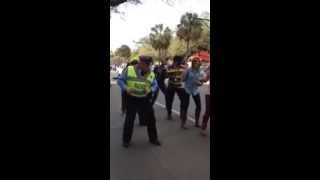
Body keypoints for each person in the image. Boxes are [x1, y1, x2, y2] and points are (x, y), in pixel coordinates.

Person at [117, 56, 161, 148]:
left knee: (151, 119)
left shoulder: (150, 73)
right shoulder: (129, 70)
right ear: (140, 63)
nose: (148, 67)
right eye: (146, 65)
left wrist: (150, 90)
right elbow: (120, 80)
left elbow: (155, 85)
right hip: (132, 98)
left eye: (149, 65)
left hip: (144, 99)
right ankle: (126, 141)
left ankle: (153, 139)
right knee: (130, 119)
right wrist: (126, 88)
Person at [165, 55, 189, 129]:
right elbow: (166, 75)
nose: (183, 62)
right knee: (169, 100)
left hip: (180, 87)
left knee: (184, 102)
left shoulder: (184, 67)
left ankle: (183, 120)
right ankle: (169, 113)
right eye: (181, 60)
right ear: (176, 61)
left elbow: (186, 76)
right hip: (171, 86)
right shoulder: (169, 67)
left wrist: (185, 68)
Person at [182, 57, 206, 128]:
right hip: (187, 89)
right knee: (185, 106)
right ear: (192, 63)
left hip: (195, 90)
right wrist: (185, 71)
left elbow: (204, 79)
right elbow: (183, 79)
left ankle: (196, 123)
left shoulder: (200, 71)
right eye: (195, 62)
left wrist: (200, 82)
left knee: (199, 106)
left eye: (198, 62)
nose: (197, 63)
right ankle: (183, 123)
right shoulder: (188, 70)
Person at [199, 65, 211, 136]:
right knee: (208, 111)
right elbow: (205, 79)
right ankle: (203, 127)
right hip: (209, 94)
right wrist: (199, 80)